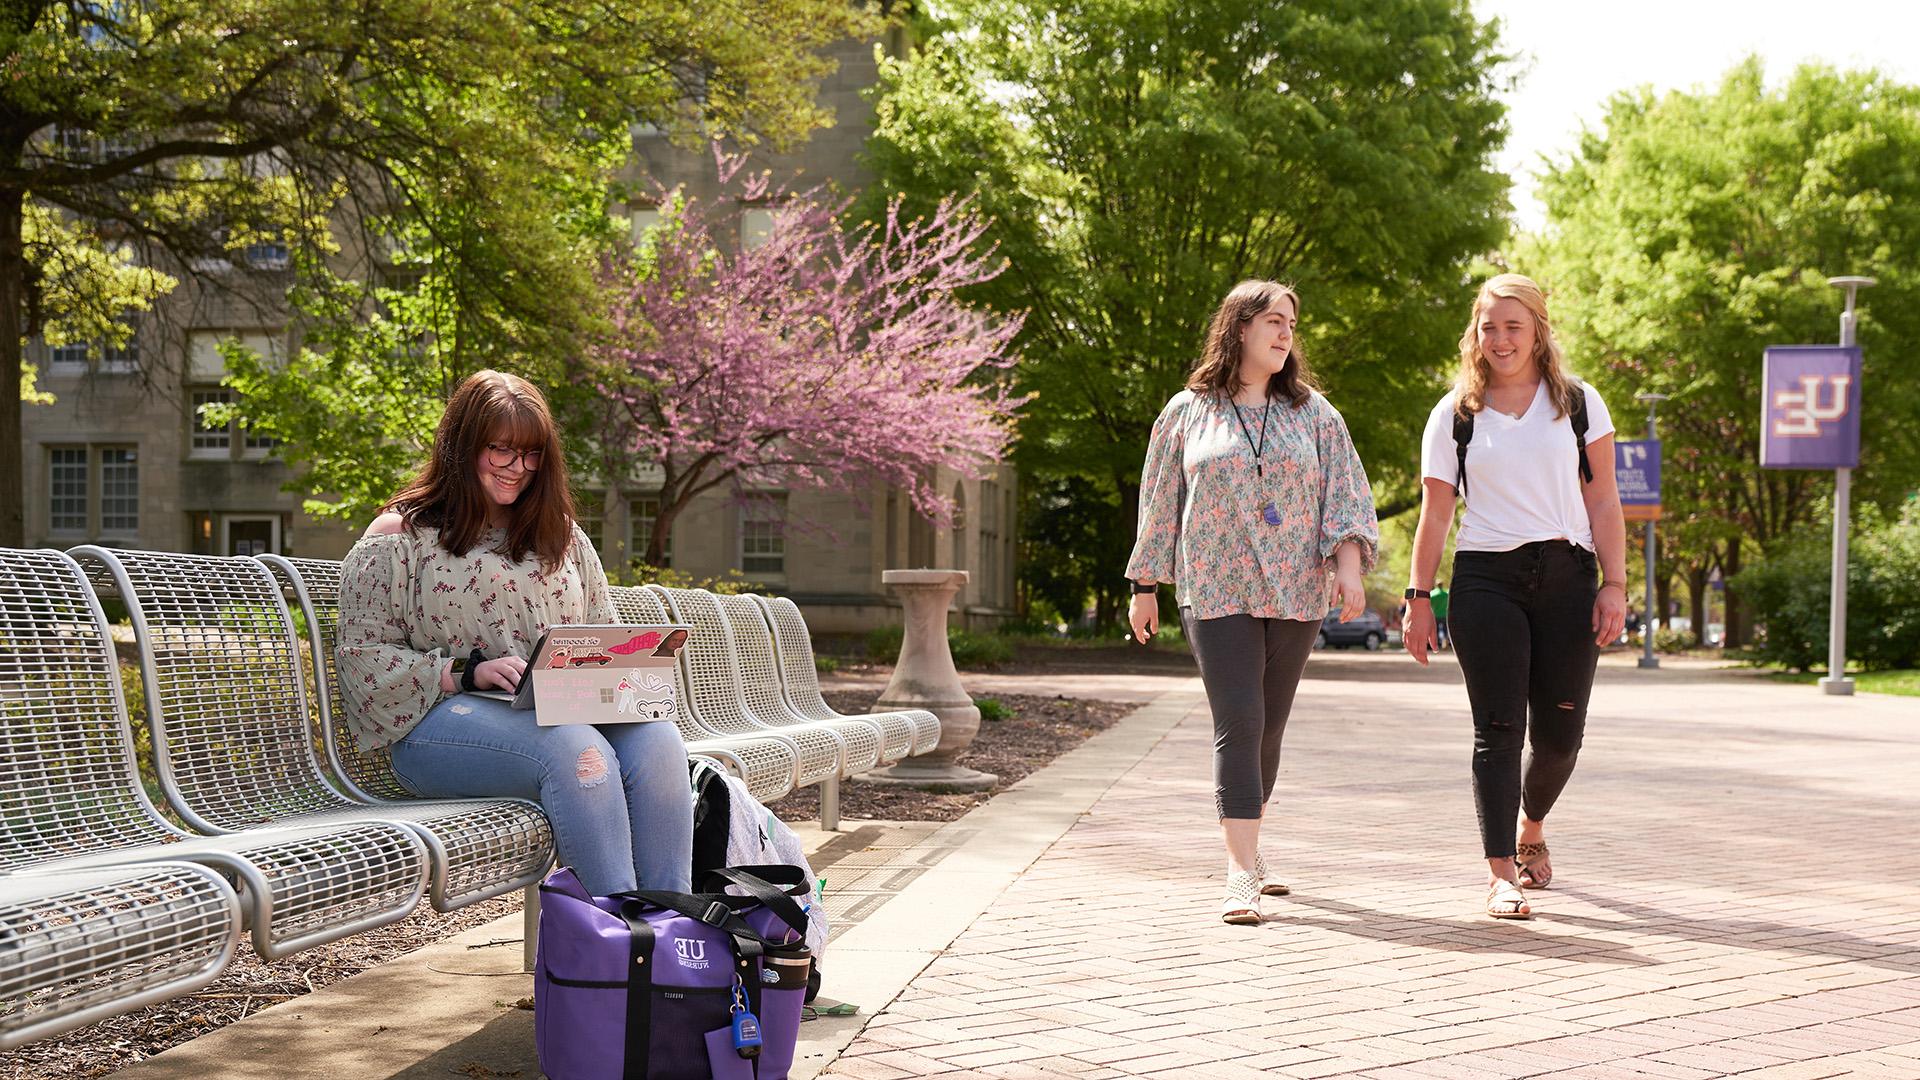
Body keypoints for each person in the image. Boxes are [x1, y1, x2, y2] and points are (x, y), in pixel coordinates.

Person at [336, 370, 694, 896]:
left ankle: (672, 925)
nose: (517, 468)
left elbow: (602, 634)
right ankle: (615, 942)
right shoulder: (401, 536)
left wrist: (624, 670)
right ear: (463, 446)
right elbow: (361, 659)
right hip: (436, 727)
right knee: (577, 750)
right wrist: (465, 671)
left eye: (530, 455)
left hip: (554, 712)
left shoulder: (561, 535)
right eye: (500, 450)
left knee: (659, 741)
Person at [1125, 280, 1378, 926]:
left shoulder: (1316, 414)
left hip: (1296, 591)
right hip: (1214, 587)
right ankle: (1239, 872)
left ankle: (1251, 847)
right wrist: (1144, 586)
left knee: (1267, 725)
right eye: (1272, 319)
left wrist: (1348, 570)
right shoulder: (1186, 412)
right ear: (1239, 328)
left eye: (1291, 321)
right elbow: (1158, 505)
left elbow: (1345, 497)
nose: (1285, 331)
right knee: (1238, 718)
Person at [1402, 274, 1627, 920]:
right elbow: (1436, 515)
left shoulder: (1580, 404)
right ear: (1475, 334)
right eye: (1488, 327)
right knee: (1498, 729)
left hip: (1568, 576)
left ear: (1537, 332)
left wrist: (1615, 584)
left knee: (1560, 738)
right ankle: (1500, 872)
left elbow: (1605, 499)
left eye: (1513, 327)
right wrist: (1420, 599)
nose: (1500, 340)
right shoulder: (1455, 415)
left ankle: (1532, 825)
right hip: (1485, 580)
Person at [1430, 581, 1451, 649]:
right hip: (1444, 614)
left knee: (1436, 630)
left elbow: (1430, 605)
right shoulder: (1446, 594)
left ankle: (1437, 644)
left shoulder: (1432, 594)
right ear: (1442, 585)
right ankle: (1445, 643)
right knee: (1445, 630)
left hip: (1435, 615)